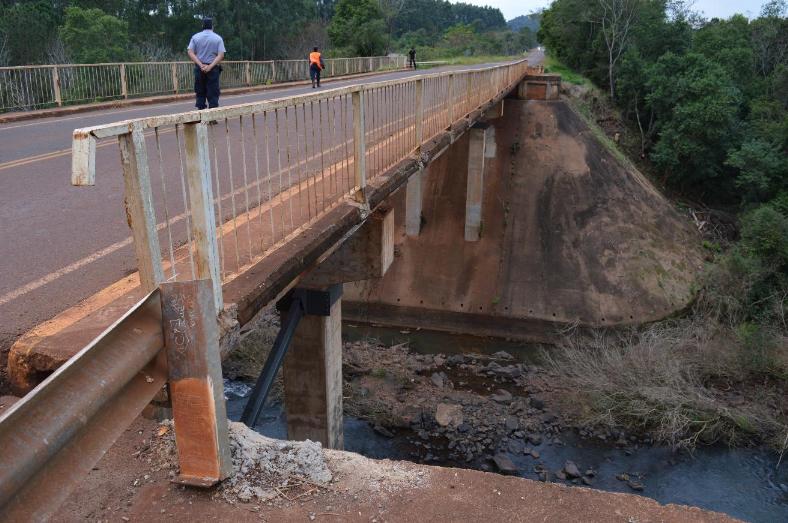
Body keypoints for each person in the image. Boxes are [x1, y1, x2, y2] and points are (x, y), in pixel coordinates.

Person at [187, 18, 226, 110]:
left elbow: (190, 52)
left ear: (202, 26)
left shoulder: (195, 37)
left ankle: (201, 115)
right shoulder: (218, 38)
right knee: (213, 92)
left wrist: (200, 65)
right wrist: (210, 66)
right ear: (212, 27)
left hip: (199, 68)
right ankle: (212, 116)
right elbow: (221, 55)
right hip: (212, 69)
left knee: (200, 91)